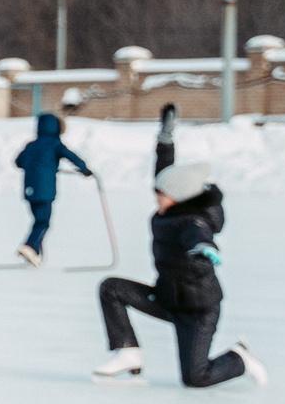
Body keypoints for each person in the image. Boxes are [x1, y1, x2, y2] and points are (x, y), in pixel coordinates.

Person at [92, 139, 266, 388]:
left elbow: (199, 234)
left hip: (198, 311)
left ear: (179, 197)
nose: (157, 200)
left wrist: (203, 247)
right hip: (167, 299)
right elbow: (165, 175)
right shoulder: (168, 211)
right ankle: (128, 351)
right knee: (111, 288)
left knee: (195, 377)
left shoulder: (192, 221)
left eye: (162, 196)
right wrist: (165, 143)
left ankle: (240, 359)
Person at [11, 111, 93, 265]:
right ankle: (29, 247)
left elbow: (18, 162)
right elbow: (72, 157)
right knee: (43, 222)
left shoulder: (31, 145)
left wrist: (35, 164)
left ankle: (34, 253)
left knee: (38, 220)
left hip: (29, 190)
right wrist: (84, 169)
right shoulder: (55, 144)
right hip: (44, 191)